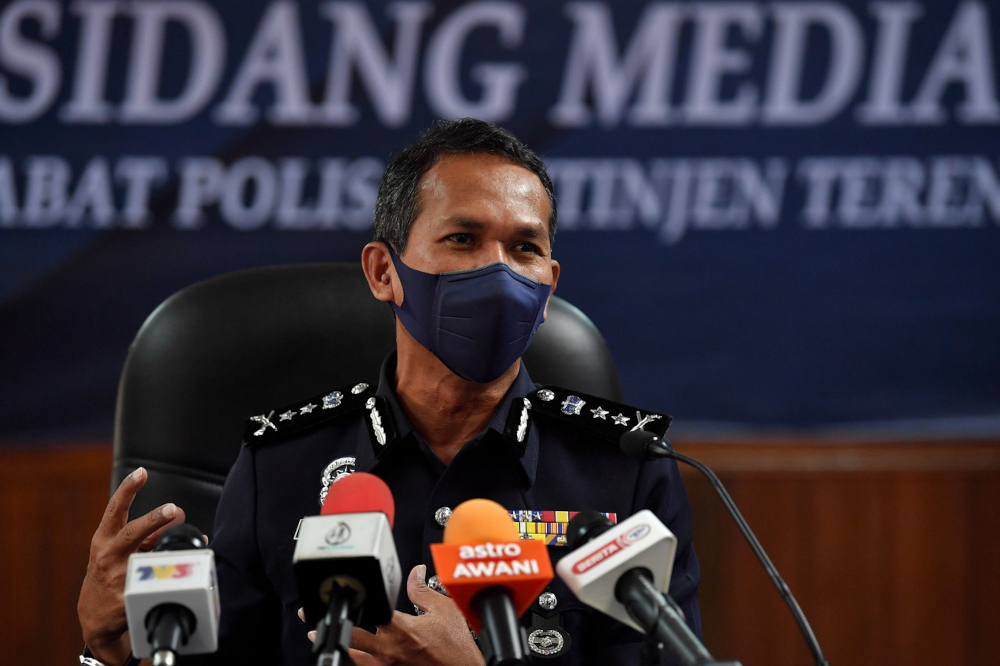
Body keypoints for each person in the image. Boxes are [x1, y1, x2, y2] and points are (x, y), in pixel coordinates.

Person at [78, 118, 701, 665]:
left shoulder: (624, 474)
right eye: (464, 239)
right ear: (384, 272)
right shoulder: (282, 466)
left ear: (548, 290)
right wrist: (109, 651)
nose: (501, 271)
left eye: (524, 248)